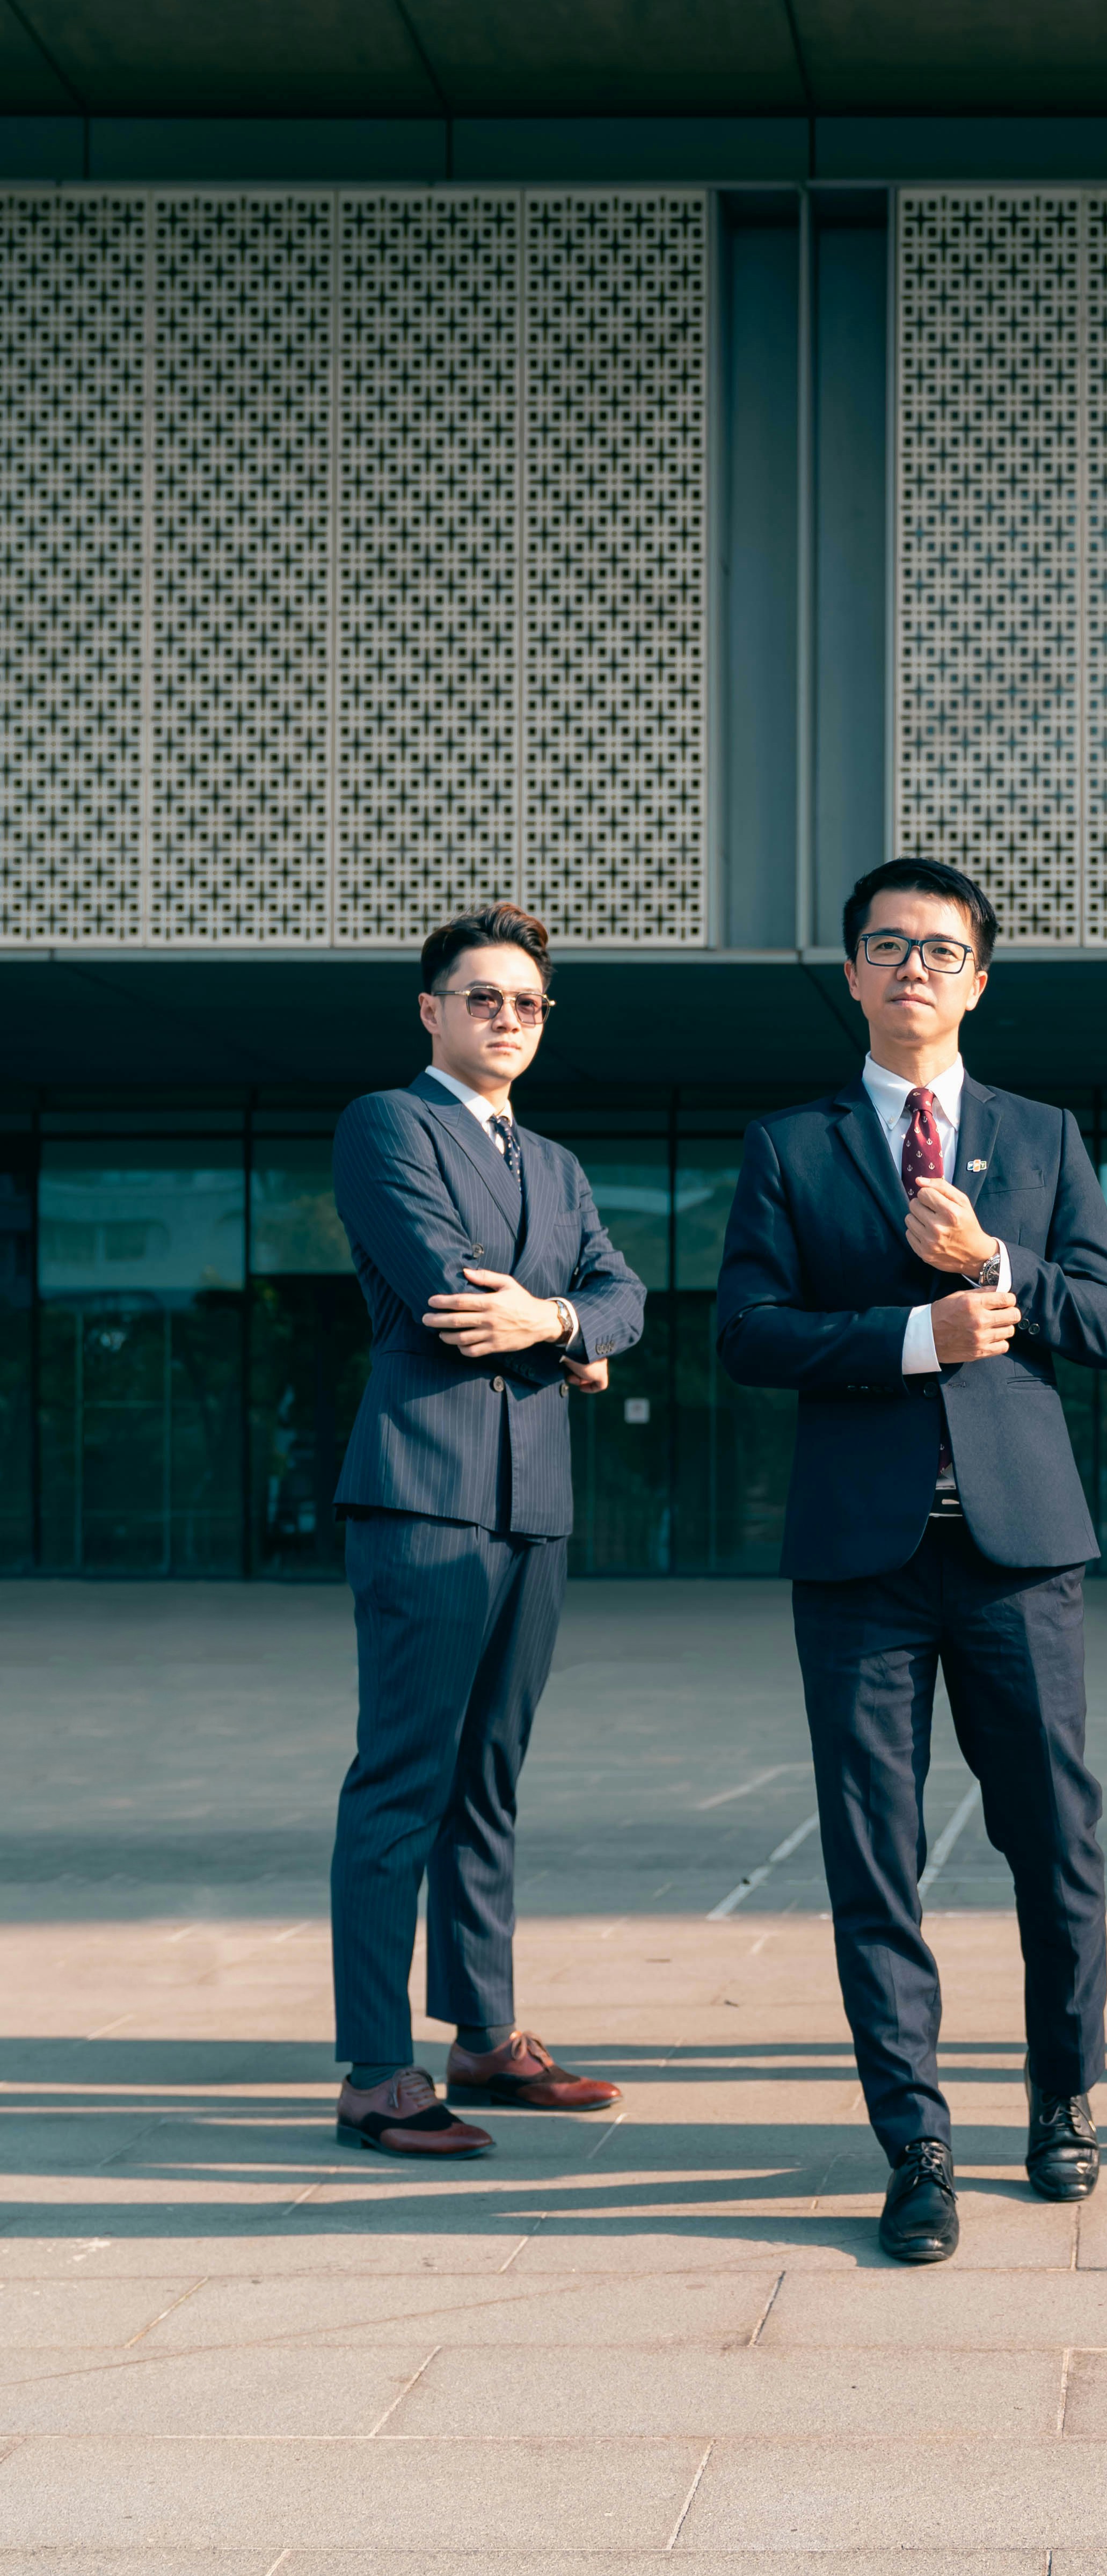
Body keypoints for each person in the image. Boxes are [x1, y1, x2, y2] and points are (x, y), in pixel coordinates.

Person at [716, 856, 1107, 2264]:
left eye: (942, 951)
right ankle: (917, 2145)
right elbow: (747, 1332)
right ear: (852, 975)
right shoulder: (792, 1145)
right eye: (888, 948)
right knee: (873, 1860)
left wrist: (992, 1265)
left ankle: (1065, 2102)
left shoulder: (1042, 1134)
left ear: (979, 980)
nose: (914, 971)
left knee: (1055, 1846)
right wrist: (912, 1338)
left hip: (1020, 1552)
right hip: (859, 1560)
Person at [326, 903, 646, 2160]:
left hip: (536, 1505)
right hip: (426, 1489)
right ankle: (372, 2069)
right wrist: (562, 1328)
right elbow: (447, 1291)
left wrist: (563, 1327)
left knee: (491, 1779)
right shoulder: (385, 1126)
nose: (506, 1018)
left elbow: (623, 1297)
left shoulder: (556, 1165)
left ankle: (483, 2031)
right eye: (482, 998)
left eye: (526, 1003)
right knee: (403, 1777)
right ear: (431, 1010)